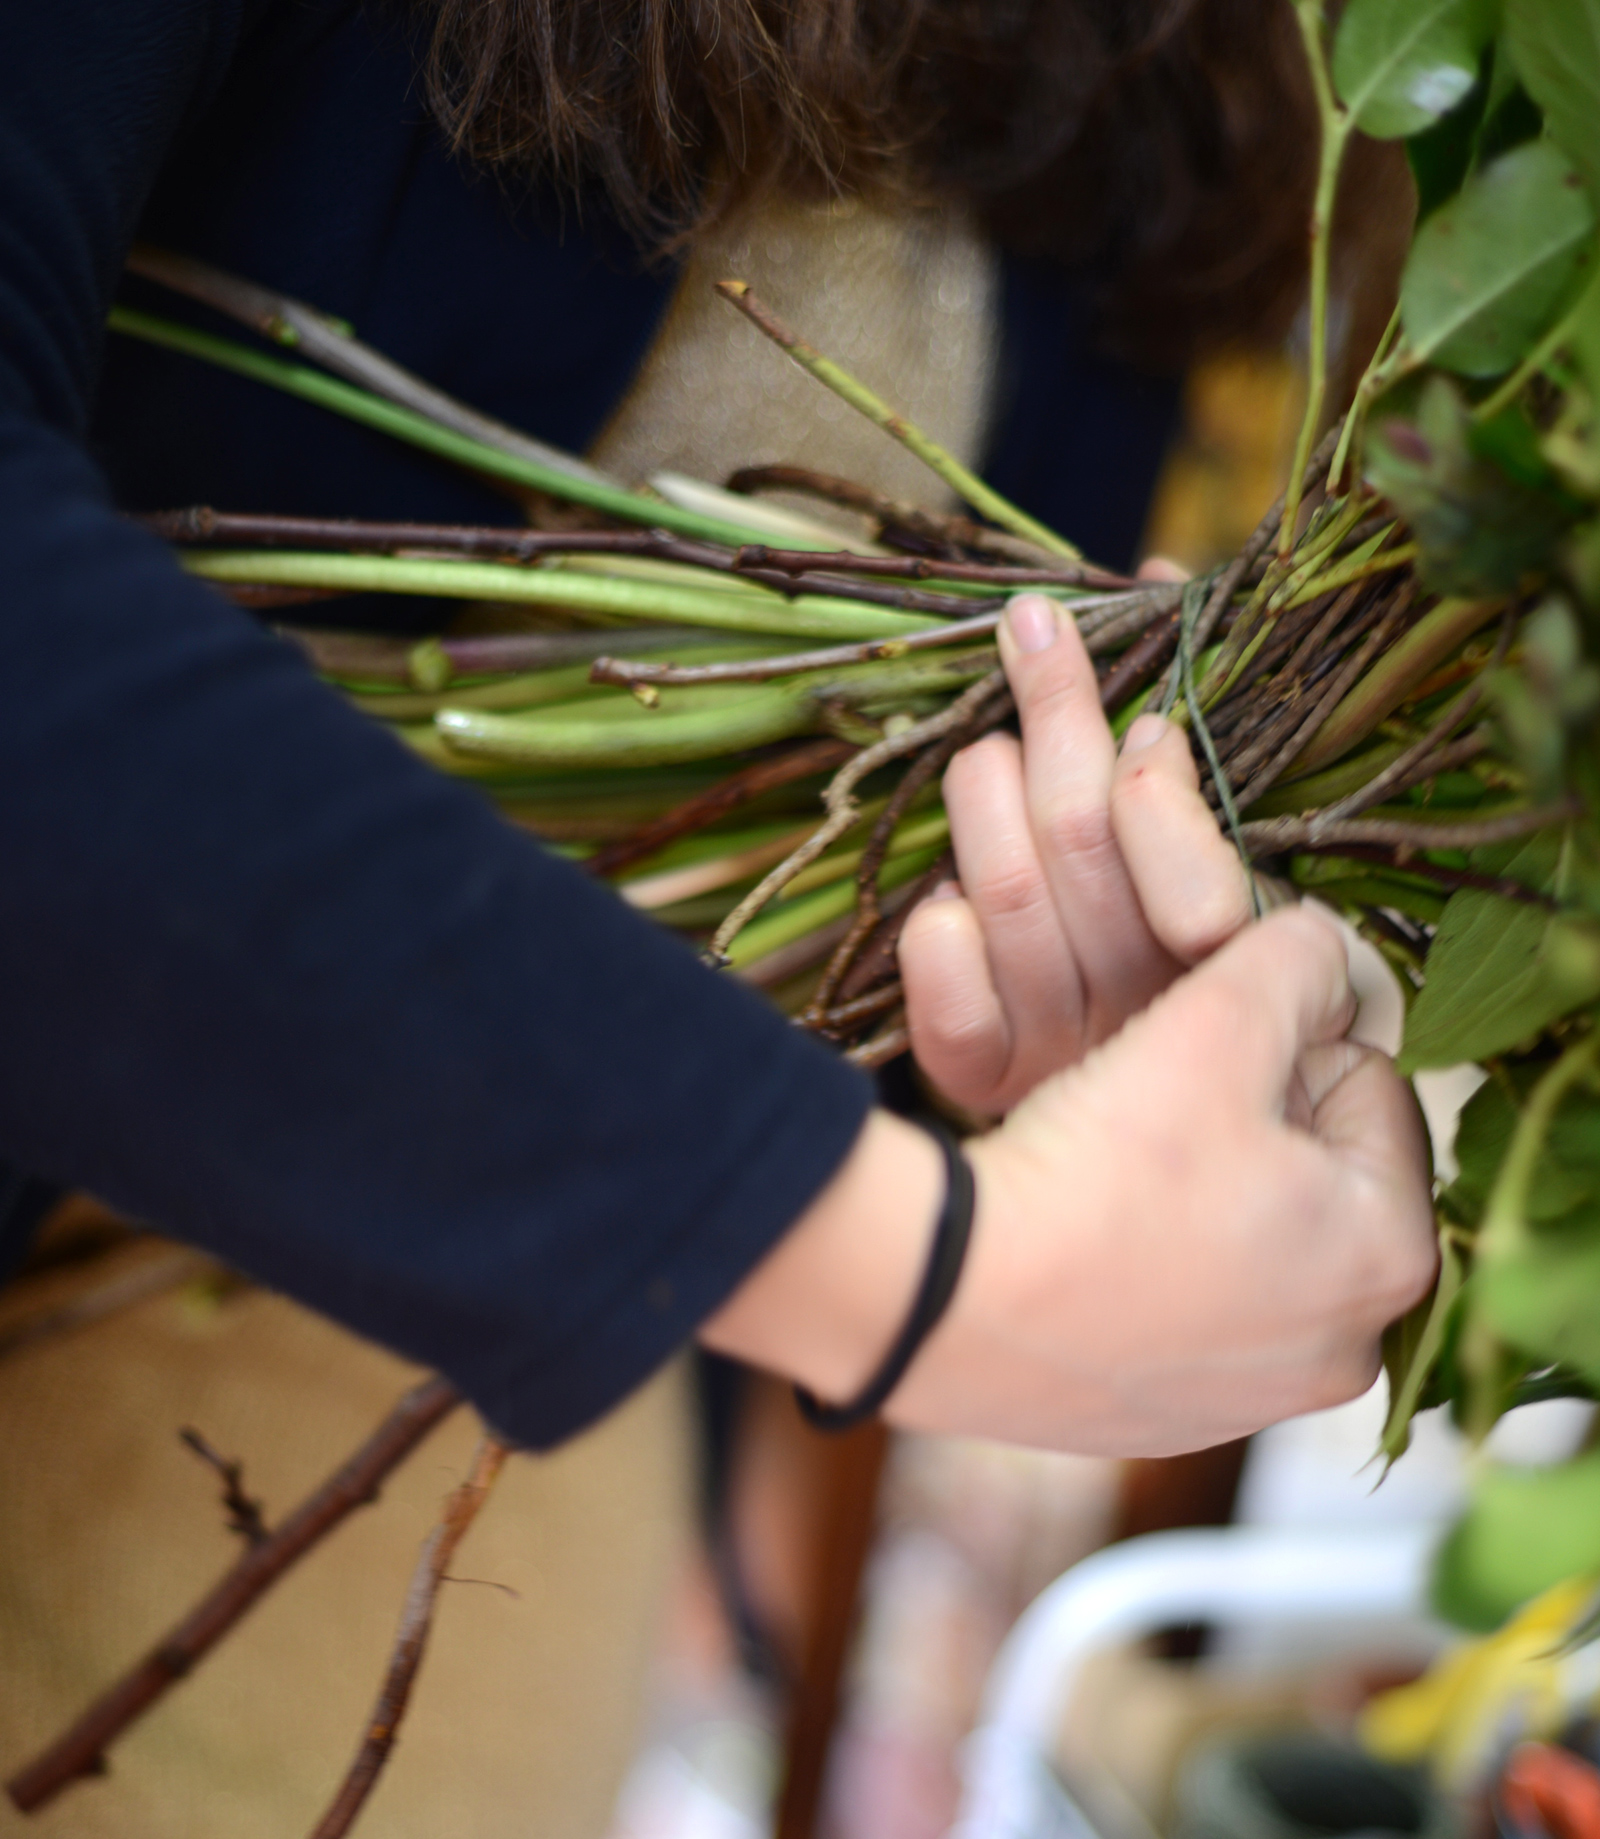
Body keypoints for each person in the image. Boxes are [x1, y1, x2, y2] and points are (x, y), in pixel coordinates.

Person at [0, 0, 1434, 1824]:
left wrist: (1041, 973)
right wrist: (908, 1272)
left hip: (441, 1203)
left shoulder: (1216, 57)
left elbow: (968, 756)